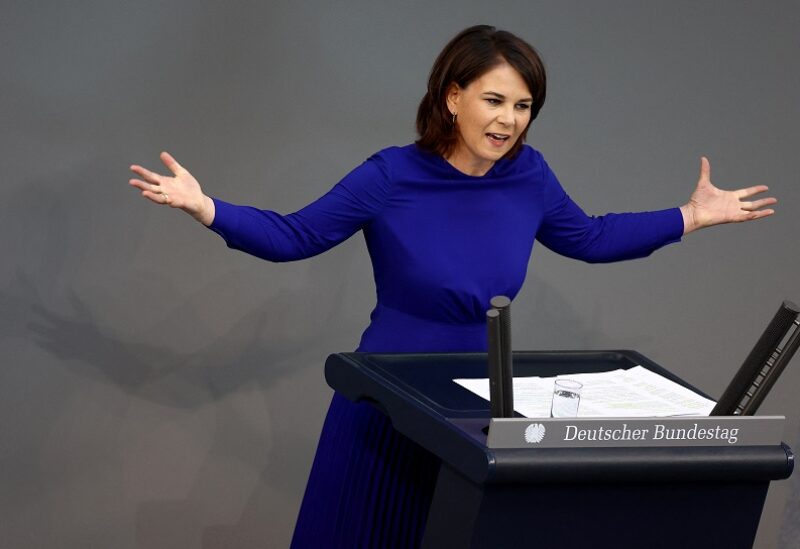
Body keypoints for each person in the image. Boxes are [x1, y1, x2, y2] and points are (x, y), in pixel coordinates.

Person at [129, 24, 775, 549]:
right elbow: (295, 235)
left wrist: (690, 216)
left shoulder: (530, 176)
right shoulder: (390, 175)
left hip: (474, 418)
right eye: (495, 100)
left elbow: (592, 237)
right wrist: (205, 206)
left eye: (523, 106)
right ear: (453, 97)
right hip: (385, 408)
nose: (510, 121)